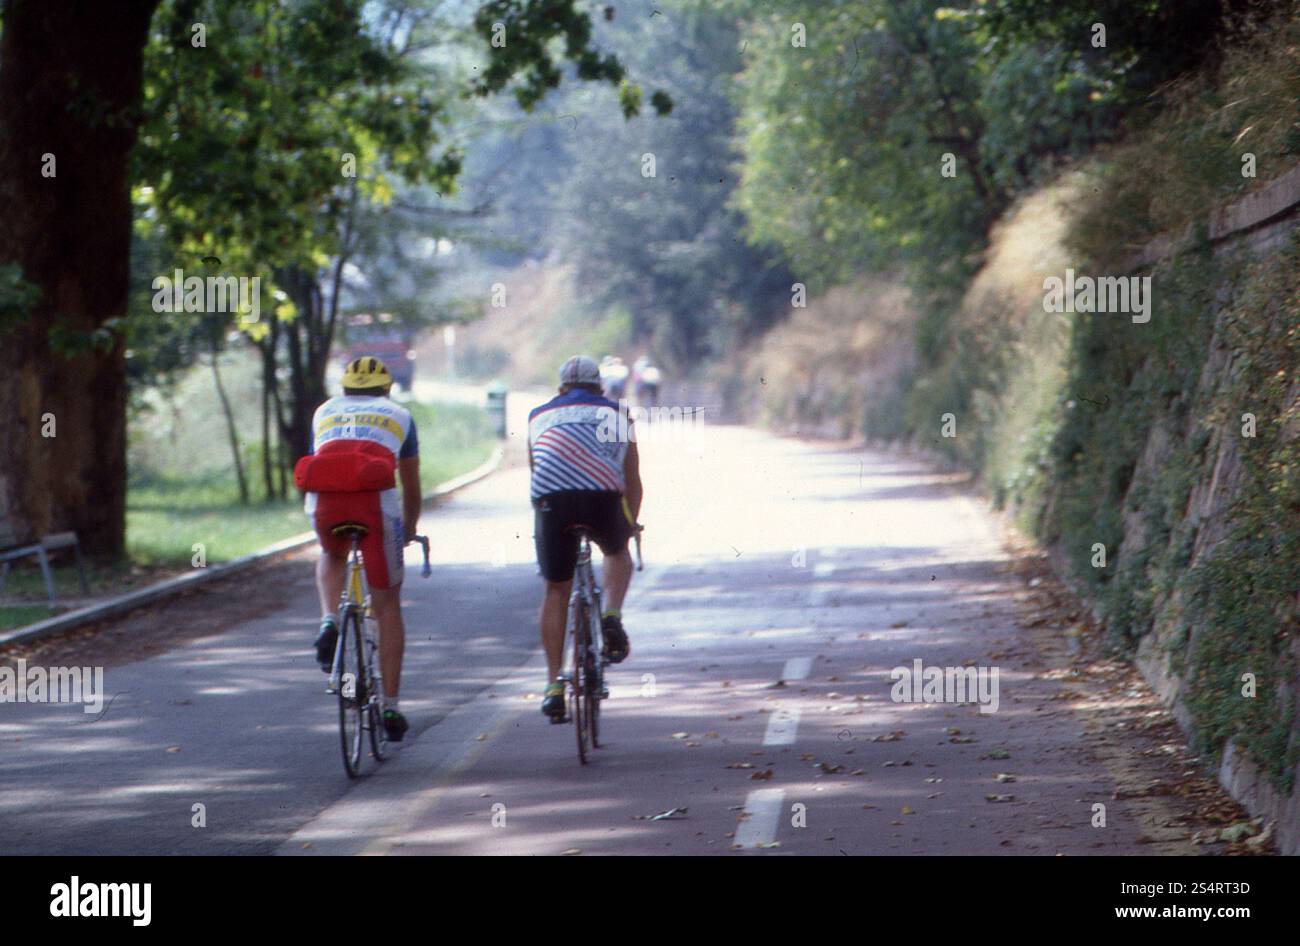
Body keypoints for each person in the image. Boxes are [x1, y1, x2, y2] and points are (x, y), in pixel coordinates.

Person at [301, 356, 422, 742]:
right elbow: (411, 486)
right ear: (386, 389)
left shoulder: (324, 411)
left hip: (324, 503)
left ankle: (328, 620)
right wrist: (410, 529)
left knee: (331, 554)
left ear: (344, 388)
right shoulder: (400, 415)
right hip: (374, 506)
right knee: (387, 604)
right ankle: (391, 706)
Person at [528, 355, 643, 721]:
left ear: (561, 389)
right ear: (600, 388)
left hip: (553, 501)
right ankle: (611, 615)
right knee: (617, 552)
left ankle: (553, 685)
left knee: (555, 589)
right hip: (601, 499)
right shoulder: (619, 414)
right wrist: (630, 525)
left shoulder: (538, 415)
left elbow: (537, 471)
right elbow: (632, 481)